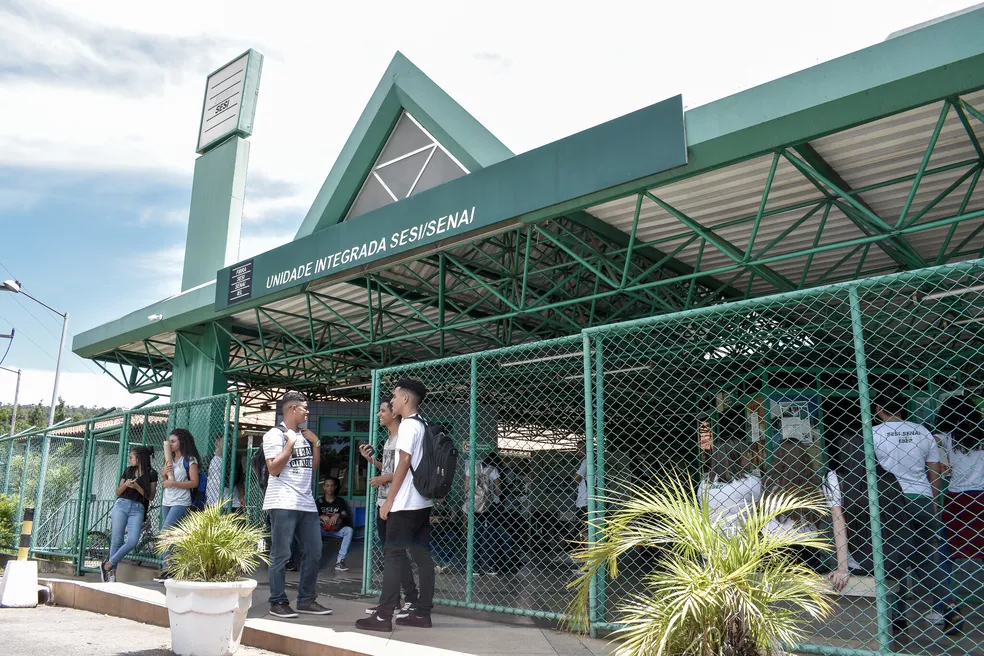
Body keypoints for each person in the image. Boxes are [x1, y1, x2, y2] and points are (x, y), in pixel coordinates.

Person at [871, 394, 960, 635]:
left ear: (879, 408)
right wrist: (933, 502)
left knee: (892, 558)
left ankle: (898, 617)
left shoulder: (873, 433)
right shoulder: (922, 431)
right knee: (927, 557)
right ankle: (948, 606)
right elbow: (934, 471)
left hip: (889, 501)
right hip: (920, 498)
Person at [356, 379, 435, 632]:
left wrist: (389, 501)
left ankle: (383, 616)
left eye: (395, 395)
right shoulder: (422, 425)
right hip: (421, 503)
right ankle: (422, 613)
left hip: (404, 504)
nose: (392, 399)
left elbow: (403, 463)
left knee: (393, 556)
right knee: (422, 558)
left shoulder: (409, 426)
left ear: (405, 399)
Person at [263, 390, 332, 619]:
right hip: (282, 502)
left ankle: (306, 600)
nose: (307, 411)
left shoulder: (304, 435)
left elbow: (311, 469)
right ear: (292, 409)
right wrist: (290, 444)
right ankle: (277, 602)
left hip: (306, 504)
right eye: (304, 407)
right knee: (281, 554)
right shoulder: (274, 435)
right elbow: (273, 469)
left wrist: (317, 443)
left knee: (314, 551)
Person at [763, 441, 852, 591]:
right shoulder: (815, 484)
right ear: (805, 458)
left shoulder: (768, 483)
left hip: (773, 549)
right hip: (806, 550)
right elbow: (818, 519)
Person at [358, 400, 419, 617]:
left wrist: (383, 478)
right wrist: (372, 461)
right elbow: (390, 469)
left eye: (383, 410)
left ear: (394, 413)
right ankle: (393, 601)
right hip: (382, 503)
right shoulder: (389, 440)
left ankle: (410, 599)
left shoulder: (404, 436)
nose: (379, 414)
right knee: (392, 555)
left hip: (395, 505)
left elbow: (406, 471)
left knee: (396, 554)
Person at [935, 394, 984, 560]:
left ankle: (948, 583)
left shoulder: (947, 436)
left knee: (952, 547)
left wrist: (938, 463)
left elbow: (926, 443)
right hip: (982, 495)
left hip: (957, 497)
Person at [101, 446, 157, 583]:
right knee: (116, 540)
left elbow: (150, 497)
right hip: (122, 505)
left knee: (132, 540)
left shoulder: (151, 473)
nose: (130, 459)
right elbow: (118, 492)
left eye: (132, 457)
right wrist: (126, 484)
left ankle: (107, 564)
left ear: (139, 458)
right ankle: (112, 575)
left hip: (138, 509)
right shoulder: (128, 470)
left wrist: (137, 487)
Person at [155, 428, 201, 582]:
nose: (170, 444)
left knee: (165, 533)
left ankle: (167, 569)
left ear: (182, 442)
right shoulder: (170, 460)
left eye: (173, 441)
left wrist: (173, 482)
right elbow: (165, 484)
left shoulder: (190, 460)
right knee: (172, 536)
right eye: (170, 441)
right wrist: (163, 473)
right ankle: (174, 569)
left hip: (181, 502)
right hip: (167, 501)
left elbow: (194, 482)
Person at [697, 440, 762, 533]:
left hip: (711, 543)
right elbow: (763, 509)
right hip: (743, 542)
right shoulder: (751, 481)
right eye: (746, 453)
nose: (749, 456)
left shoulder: (704, 484)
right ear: (736, 456)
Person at [466, 451, 503, 576]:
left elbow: (466, 488)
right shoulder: (493, 471)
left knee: (475, 535)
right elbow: (498, 491)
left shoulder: (472, 468)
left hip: (474, 506)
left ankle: (474, 568)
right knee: (490, 536)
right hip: (490, 507)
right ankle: (490, 566)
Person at [316, 476, 354, 572]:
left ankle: (340, 561)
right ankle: (314, 560)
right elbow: (311, 517)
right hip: (322, 529)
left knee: (349, 530)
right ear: (324, 487)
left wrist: (337, 514)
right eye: (327, 486)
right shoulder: (319, 501)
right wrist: (320, 516)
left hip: (336, 529)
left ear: (335, 487)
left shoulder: (340, 501)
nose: (330, 488)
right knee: (313, 530)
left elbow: (345, 515)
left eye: (332, 486)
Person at [205, 434, 245, 512]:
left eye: (229, 442)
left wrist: (242, 496)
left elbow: (239, 480)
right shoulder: (210, 458)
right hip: (212, 501)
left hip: (230, 502)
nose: (229, 444)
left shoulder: (233, 459)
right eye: (226, 441)